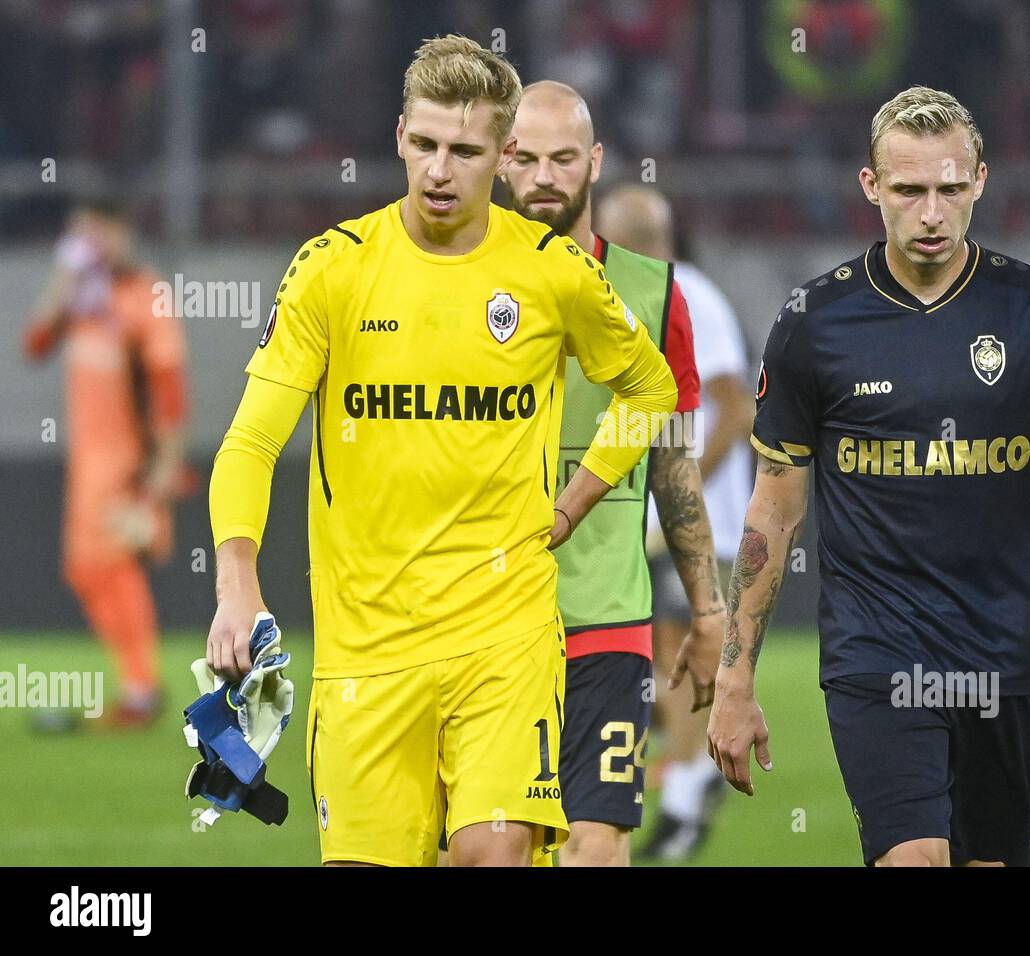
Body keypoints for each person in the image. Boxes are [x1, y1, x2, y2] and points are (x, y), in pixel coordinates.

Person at [206, 36, 677, 868]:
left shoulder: (551, 271)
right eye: (424, 144)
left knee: (491, 855)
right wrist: (237, 582)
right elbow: (251, 438)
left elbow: (652, 387)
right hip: (364, 653)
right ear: (398, 137)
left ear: (500, 158)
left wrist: (574, 501)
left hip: (504, 635)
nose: (438, 170)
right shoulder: (331, 271)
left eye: (464, 151)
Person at [706, 86, 1030, 867]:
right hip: (878, 651)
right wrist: (736, 675)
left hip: (1010, 650)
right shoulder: (813, 322)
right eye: (908, 190)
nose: (930, 213)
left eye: (948, 189)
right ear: (871, 188)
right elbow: (774, 508)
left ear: (979, 183)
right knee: (915, 860)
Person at [501, 82, 723, 867]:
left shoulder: (657, 295)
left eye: (564, 158)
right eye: (525, 159)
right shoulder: (455, 285)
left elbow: (674, 461)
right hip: (485, 619)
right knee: (497, 845)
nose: (544, 178)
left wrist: (707, 609)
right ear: (500, 161)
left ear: (594, 162)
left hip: (609, 614)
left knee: (596, 844)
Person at [594, 186, 755, 862]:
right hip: (655, 519)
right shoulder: (642, 296)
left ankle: (686, 800)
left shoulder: (686, 295)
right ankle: (687, 786)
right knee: (661, 663)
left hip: (698, 524)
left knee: (682, 659)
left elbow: (736, 410)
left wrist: (676, 500)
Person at [23, 197, 190, 729]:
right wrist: (62, 279)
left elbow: (168, 389)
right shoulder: (83, 301)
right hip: (87, 464)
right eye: (80, 238)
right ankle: (138, 686)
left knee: (113, 564)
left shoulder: (146, 297)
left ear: (120, 232)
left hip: (127, 463)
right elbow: (35, 343)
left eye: (96, 233)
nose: (89, 246)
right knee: (87, 569)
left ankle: (140, 689)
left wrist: (167, 461)